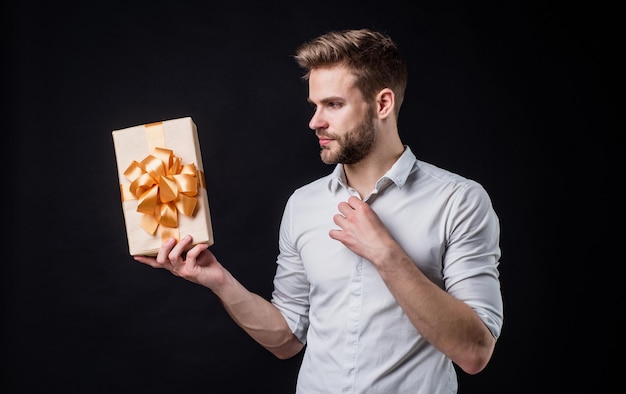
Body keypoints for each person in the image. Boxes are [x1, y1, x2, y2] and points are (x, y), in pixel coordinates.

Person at [134, 28, 504, 393]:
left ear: (383, 104)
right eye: (315, 106)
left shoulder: (459, 200)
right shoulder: (303, 204)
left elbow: (475, 352)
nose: (315, 122)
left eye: (334, 104)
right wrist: (219, 282)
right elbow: (287, 339)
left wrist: (387, 254)